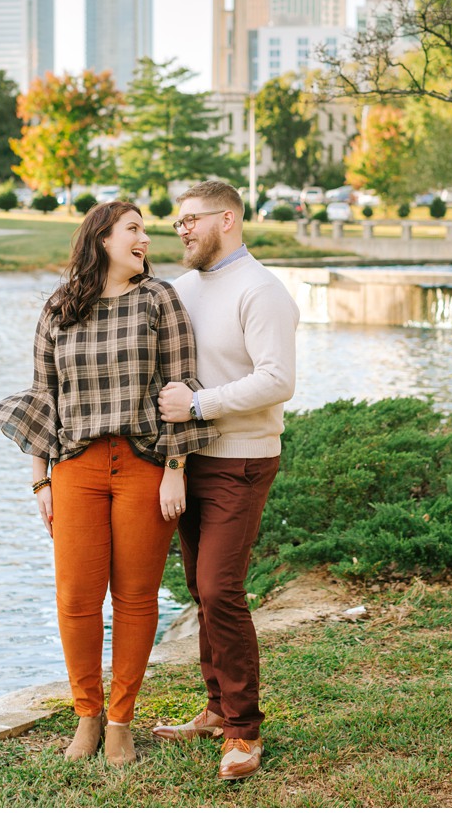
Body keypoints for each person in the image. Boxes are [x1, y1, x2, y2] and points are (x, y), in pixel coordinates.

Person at [0, 201, 215, 766]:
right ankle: (86, 716)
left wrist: (175, 472)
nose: (146, 239)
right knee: (76, 599)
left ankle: (119, 722)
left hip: (142, 465)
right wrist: (41, 482)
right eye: (134, 229)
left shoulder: (160, 300)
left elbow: (180, 389)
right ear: (101, 238)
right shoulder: (60, 307)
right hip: (75, 469)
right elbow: (44, 398)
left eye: (145, 231)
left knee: (135, 599)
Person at [148, 180, 299, 782]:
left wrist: (200, 404)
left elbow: (278, 379)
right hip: (193, 458)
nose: (180, 228)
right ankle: (215, 709)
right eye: (177, 219)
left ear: (228, 219)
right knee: (198, 584)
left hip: (242, 457)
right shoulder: (185, 288)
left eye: (192, 218)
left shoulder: (261, 291)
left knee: (219, 586)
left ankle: (243, 730)